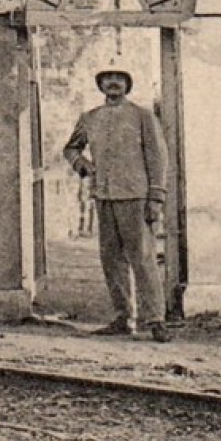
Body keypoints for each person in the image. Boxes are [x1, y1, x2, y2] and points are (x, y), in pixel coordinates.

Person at [64, 67, 171, 343]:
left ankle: (155, 320)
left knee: (143, 258)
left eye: (119, 79)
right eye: (107, 79)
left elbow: (158, 157)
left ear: (127, 85)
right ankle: (123, 317)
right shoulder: (90, 118)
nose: (113, 83)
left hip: (136, 196)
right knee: (111, 259)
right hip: (104, 195)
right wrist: (82, 165)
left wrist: (156, 197)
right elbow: (71, 148)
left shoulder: (142, 115)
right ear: (100, 85)